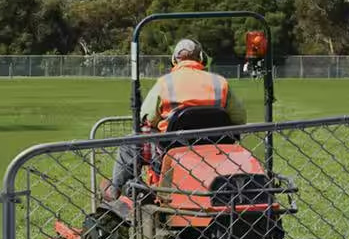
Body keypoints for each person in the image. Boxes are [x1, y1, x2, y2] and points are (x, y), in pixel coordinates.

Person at [105, 38, 247, 199]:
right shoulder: (220, 83)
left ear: (174, 60)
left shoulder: (165, 83)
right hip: (216, 152)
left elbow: (147, 117)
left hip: (173, 152)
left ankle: (119, 189)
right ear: (201, 58)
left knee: (129, 144)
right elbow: (239, 118)